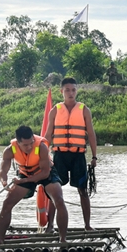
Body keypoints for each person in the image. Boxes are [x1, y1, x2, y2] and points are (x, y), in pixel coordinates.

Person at [0, 126, 68, 244]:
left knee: (59, 200)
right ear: (18, 142)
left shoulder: (41, 147)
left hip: (45, 173)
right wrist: (4, 182)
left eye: (31, 143)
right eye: (25, 145)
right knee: (7, 203)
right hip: (25, 173)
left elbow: (45, 173)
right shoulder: (9, 150)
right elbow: (2, 171)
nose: (29, 147)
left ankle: (63, 240)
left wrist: (23, 181)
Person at [44, 77, 98, 231]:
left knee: (83, 190)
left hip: (78, 156)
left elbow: (91, 135)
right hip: (59, 156)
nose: (70, 93)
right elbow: (48, 135)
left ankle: (87, 225)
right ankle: (50, 226)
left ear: (76, 91)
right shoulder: (55, 110)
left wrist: (94, 156)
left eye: (73, 90)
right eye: (67, 90)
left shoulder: (84, 110)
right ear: (61, 91)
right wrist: (46, 156)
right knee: (54, 191)